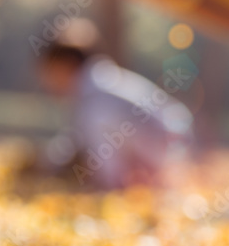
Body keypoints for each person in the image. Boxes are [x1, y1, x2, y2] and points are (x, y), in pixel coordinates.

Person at [37, 19, 193, 190]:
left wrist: (111, 187)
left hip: (169, 162)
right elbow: (77, 139)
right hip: (179, 147)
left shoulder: (95, 99)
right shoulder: (104, 80)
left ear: (64, 66)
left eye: (50, 73)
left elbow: (104, 157)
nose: (48, 83)